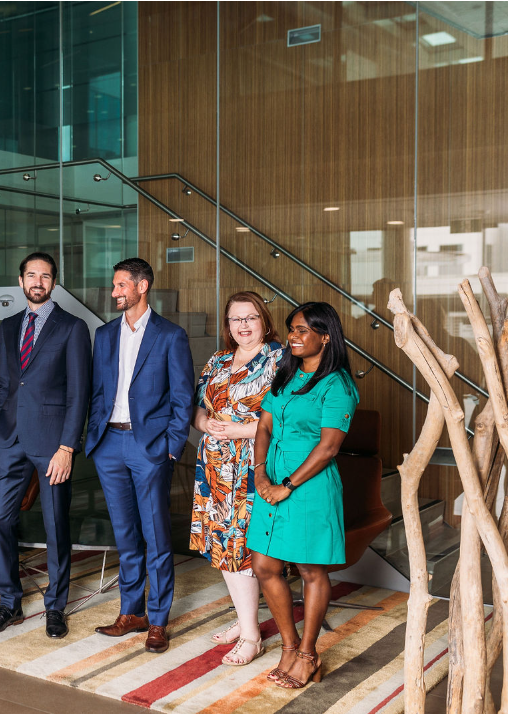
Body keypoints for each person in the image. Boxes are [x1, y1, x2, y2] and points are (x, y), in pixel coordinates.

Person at [0, 251, 92, 640]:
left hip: (51, 443)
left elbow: (81, 393)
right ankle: (9, 603)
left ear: (54, 284)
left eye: (46, 276)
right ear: (21, 280)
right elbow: (8, 383)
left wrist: (67, 447)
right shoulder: (8, 325)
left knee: (55, 524)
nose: (38, 281)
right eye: (32, 275)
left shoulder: (72, 327)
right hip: (9, 438)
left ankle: (55, 607)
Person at [86, 257, 193, 654]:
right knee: (126, 535)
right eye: (114, 286)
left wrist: (171, 446)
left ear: (141, 286)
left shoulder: (170, 335)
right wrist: (95, 437)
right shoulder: (105, 334)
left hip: (150, 447)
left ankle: (158, 619)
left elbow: (183, 397)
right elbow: (99, 391)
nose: (114, 292)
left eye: (120, 285)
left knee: (156, 535)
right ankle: (131, 612)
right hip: (109, 444)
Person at [249, 301, 358, 689]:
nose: (292, 337)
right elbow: (264, 427)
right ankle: (290, 647)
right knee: (264, 566)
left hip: (308, 489)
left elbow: (329, 447)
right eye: (291, 329)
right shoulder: (285, 376)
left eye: (301, 331)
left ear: (325, 337)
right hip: (270, 481)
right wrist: (261, 474)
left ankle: (309, 655)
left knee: (311, 570)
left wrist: (287, 486)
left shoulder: (338, 385)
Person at [190, 291, 282, 666]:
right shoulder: (218, 359)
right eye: (235, 319)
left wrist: (239, 431)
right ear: (227, 325)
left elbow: (285, 416)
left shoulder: (279, 358)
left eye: (250, 318)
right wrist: (204, 423)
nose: (242, 325)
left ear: (263, 320)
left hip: (251, 464)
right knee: (224, 547)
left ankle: (250, 636)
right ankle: (246, 620)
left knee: (242, 548)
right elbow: (197, 407)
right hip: (214, 465)